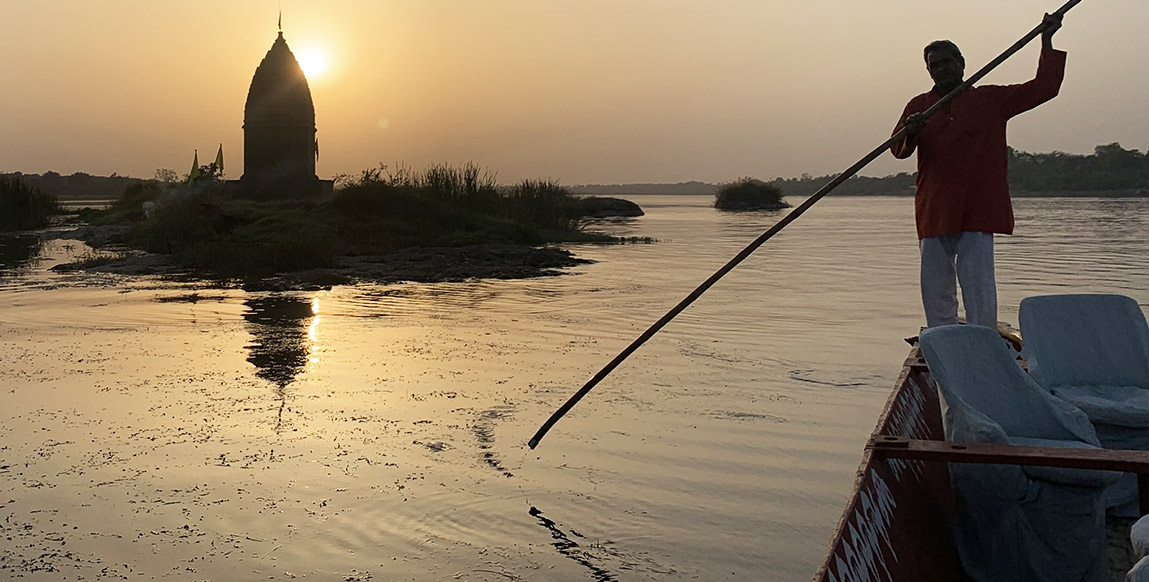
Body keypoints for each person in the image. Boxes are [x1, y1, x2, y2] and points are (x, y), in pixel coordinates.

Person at [891, 13, 1066, 328]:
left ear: (961, 63)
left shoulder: (990, 99)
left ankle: (982, 341)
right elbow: (897, 149)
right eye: (935, 65)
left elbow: (1044, 88)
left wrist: (1047, 40)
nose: (942, 68)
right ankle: (943, 339)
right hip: (935, 209)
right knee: (934, 284)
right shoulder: (919, 106)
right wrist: (910, 130)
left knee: (978, 284)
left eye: (947, 62)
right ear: (928, 70)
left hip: (978, 207)